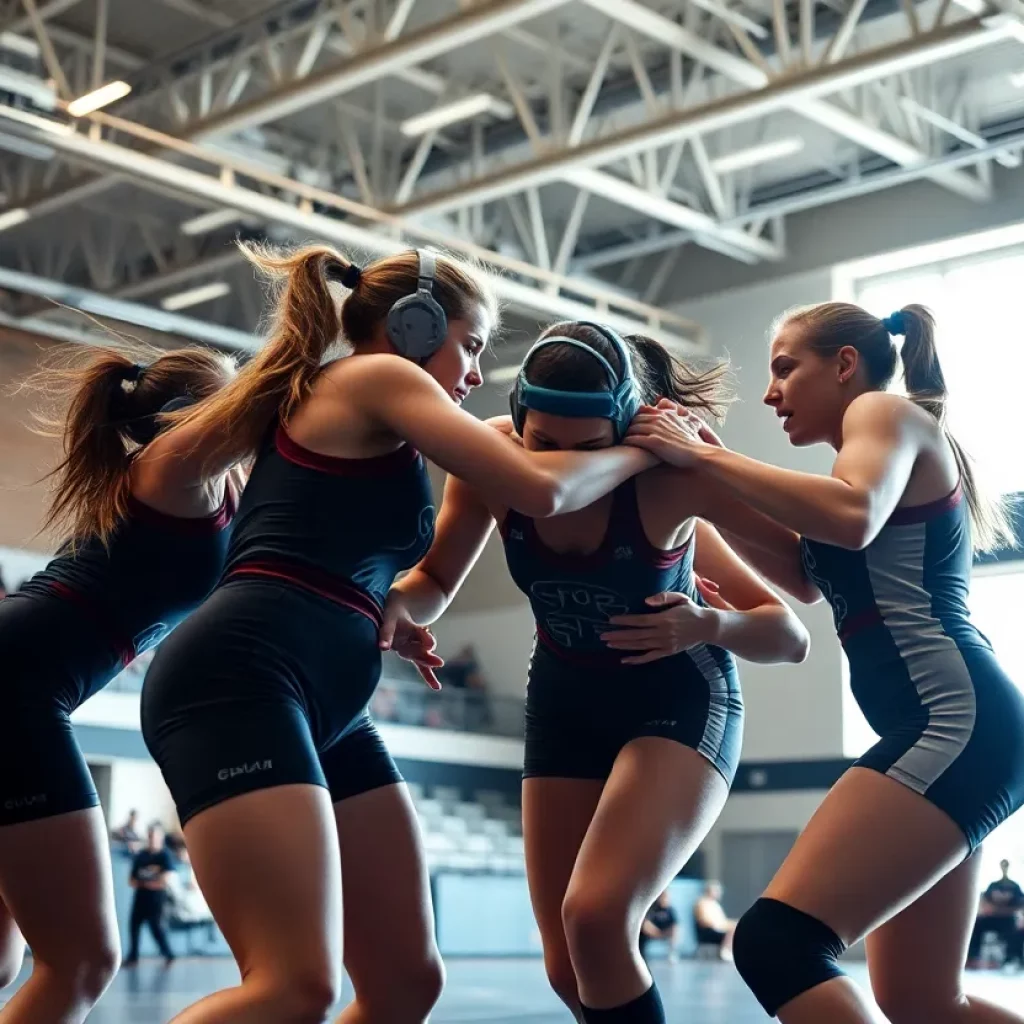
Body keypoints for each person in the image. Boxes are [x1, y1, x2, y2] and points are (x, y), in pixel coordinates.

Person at [139, 245, 662, 1024]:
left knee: (404, 984)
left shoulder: (367, 412)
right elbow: (536, 489)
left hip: (324, 700)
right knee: (293, 987)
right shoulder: (374, 377)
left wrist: (383, 604)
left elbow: (384, 563)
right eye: (474, 344)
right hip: (241, 680)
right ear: (414, 328)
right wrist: (643, 445)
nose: (479, 374)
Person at [382, 320, 810, 1024]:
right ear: (518, 421)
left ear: (625, 432)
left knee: (596, 917)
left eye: (588, 451)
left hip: (676, 699)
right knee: (567, 967)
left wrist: (709, 621)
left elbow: (791, 626)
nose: (558, 472)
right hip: (565, 700)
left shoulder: (670, 485)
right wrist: (398, 606)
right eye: (543, 446)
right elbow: (434, 577)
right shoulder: (488, 461)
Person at [623, 302, 1024, 1023]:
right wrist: (702, 476)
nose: (771, 392)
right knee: (928, 1004)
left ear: (844, 366)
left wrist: (709, 458)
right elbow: (806, 573)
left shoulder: (883, 413)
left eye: (784, 368)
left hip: (954, 726)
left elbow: (851, 514)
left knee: (777, 942)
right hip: (961, 734)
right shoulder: (860, 456)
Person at [0, 343, 237, 1024]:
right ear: (195, 417)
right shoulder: (171, 466)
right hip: (18, 684)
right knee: (82, 961)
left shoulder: (220, 482)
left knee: (4, 955)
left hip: (22, 679)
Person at [124, 823, 176, 968]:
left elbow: (165, 881)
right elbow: (132, 880)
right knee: (134, 926)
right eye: (151, 835)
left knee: (156, 928)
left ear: (161, 837)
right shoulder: (141, 855)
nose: (153, 838)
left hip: (157, 900)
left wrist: (146, 882)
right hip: (140, 898)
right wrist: (150, 882)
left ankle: (169, 954)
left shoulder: (165, 855)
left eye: (156, 836)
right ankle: (133, 957)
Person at [968, 860, 1024, 968]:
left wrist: (1005, 910)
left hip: (1008, 919)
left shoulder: (1014, 886)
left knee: (1016, 929)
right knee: (976, 924)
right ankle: (972, 957)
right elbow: (985, 902)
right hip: (993, 918)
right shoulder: (993, 885)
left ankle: (1011, 959)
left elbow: (1020, 904)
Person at [693, 881, 736, 960]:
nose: (719, 893)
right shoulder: (701, 903)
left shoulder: (715, 905)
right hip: (708, 931)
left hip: (718, 928)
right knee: (731, 931)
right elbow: (703, 921)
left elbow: (723, 921)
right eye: (716, 890)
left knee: (736, 928)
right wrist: (719, 925)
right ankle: (724, 951)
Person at [638, 890, 679, 963]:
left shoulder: (670, 910)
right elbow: (645, 924)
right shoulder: (652, 909)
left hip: (665, 932)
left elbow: (675, 924)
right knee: (644, 929)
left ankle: (672, 952)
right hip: (652, 933)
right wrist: (658, 934)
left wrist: (666, 933)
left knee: (675, 930)